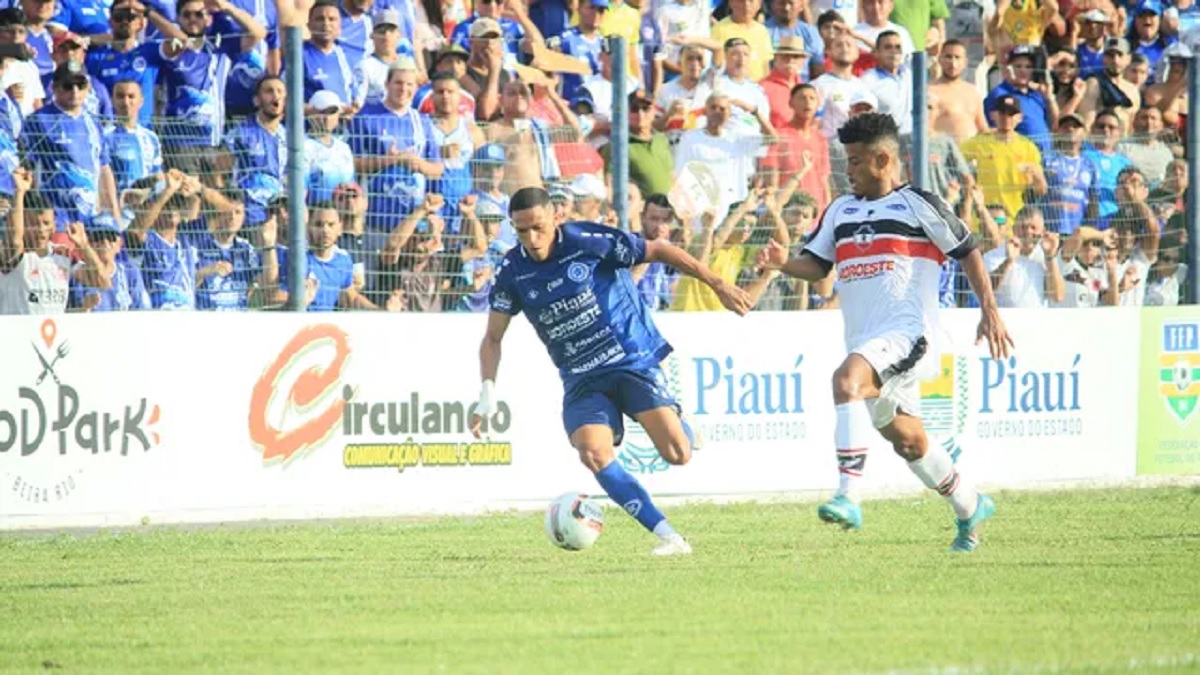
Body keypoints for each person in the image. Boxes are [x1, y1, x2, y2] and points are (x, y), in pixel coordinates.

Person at [757, 112, 1013, 552]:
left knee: (845, 381)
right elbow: (817, 266)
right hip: (866, 339)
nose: (848, 170)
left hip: (910, 334)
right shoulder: (840, 209)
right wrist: (783, 262)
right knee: (910, 442)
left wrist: (989, 310)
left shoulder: (919, 204)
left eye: (855, 162)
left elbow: (969, 250)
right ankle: (971, 507)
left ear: (881, 160)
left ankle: (848, 497)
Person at [471, 186, 752, 555]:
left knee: (678, 454)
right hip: (581, 378)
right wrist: (487, 391)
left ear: (555, 216)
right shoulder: (513, 270)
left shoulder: (585, 240)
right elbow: (493, 338)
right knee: (593, 452)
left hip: (628, 358)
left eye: (537, 227)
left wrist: (717, 283)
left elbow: (657, 249)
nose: (531, 238)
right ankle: (670, 536)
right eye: (520, 230)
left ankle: (679, 417)